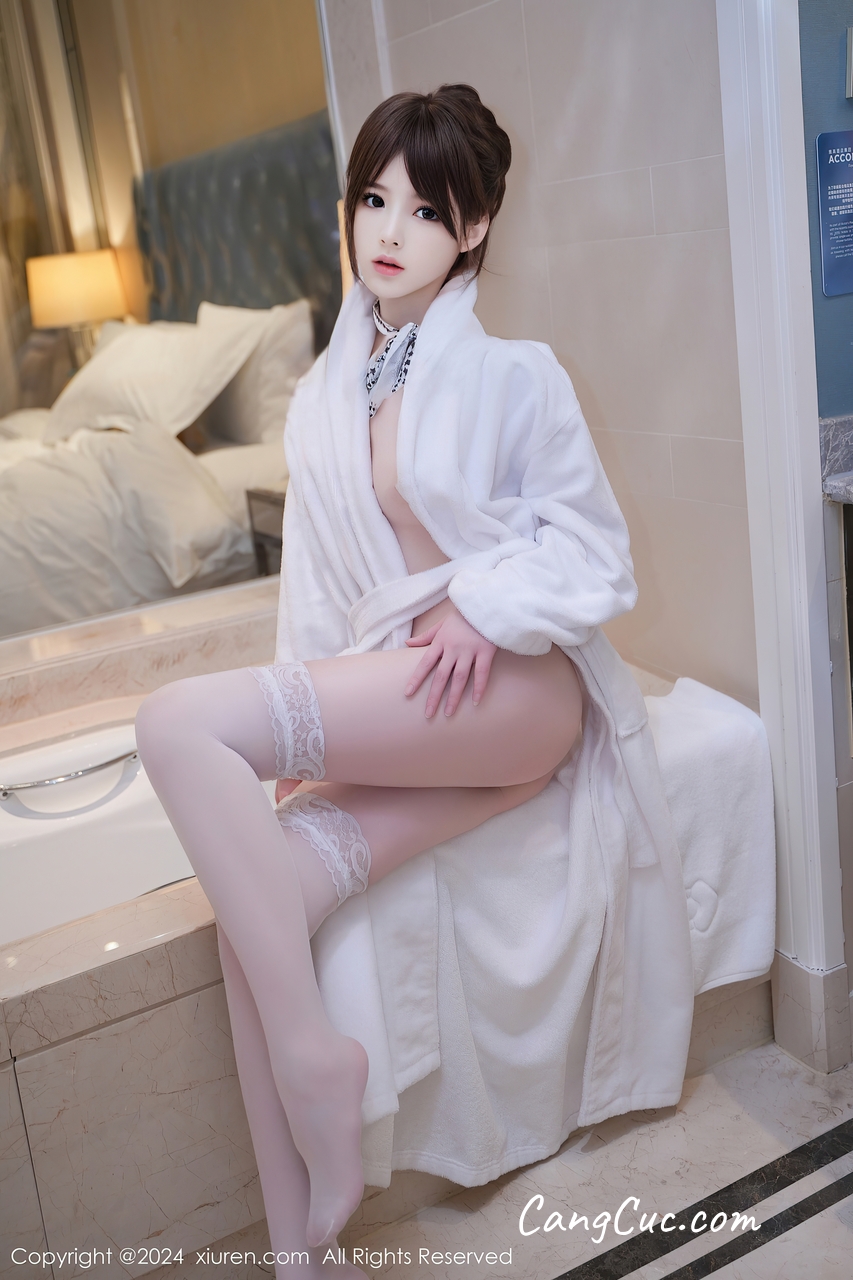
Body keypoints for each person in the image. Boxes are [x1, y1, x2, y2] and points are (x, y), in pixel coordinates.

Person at [136, 84, 692, 1279]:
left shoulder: (517, 374)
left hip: (516, 698)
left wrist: (484, 601)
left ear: (475, 227)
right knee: (255, 908)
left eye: (427, 211)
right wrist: (308, 746)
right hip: (412, 702)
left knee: (174, 721)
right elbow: (319, 594)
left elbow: (598, 554)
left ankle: (316, 1060)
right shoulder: (328, 396)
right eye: (373, 200)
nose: (389, 231)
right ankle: (301, 1256)